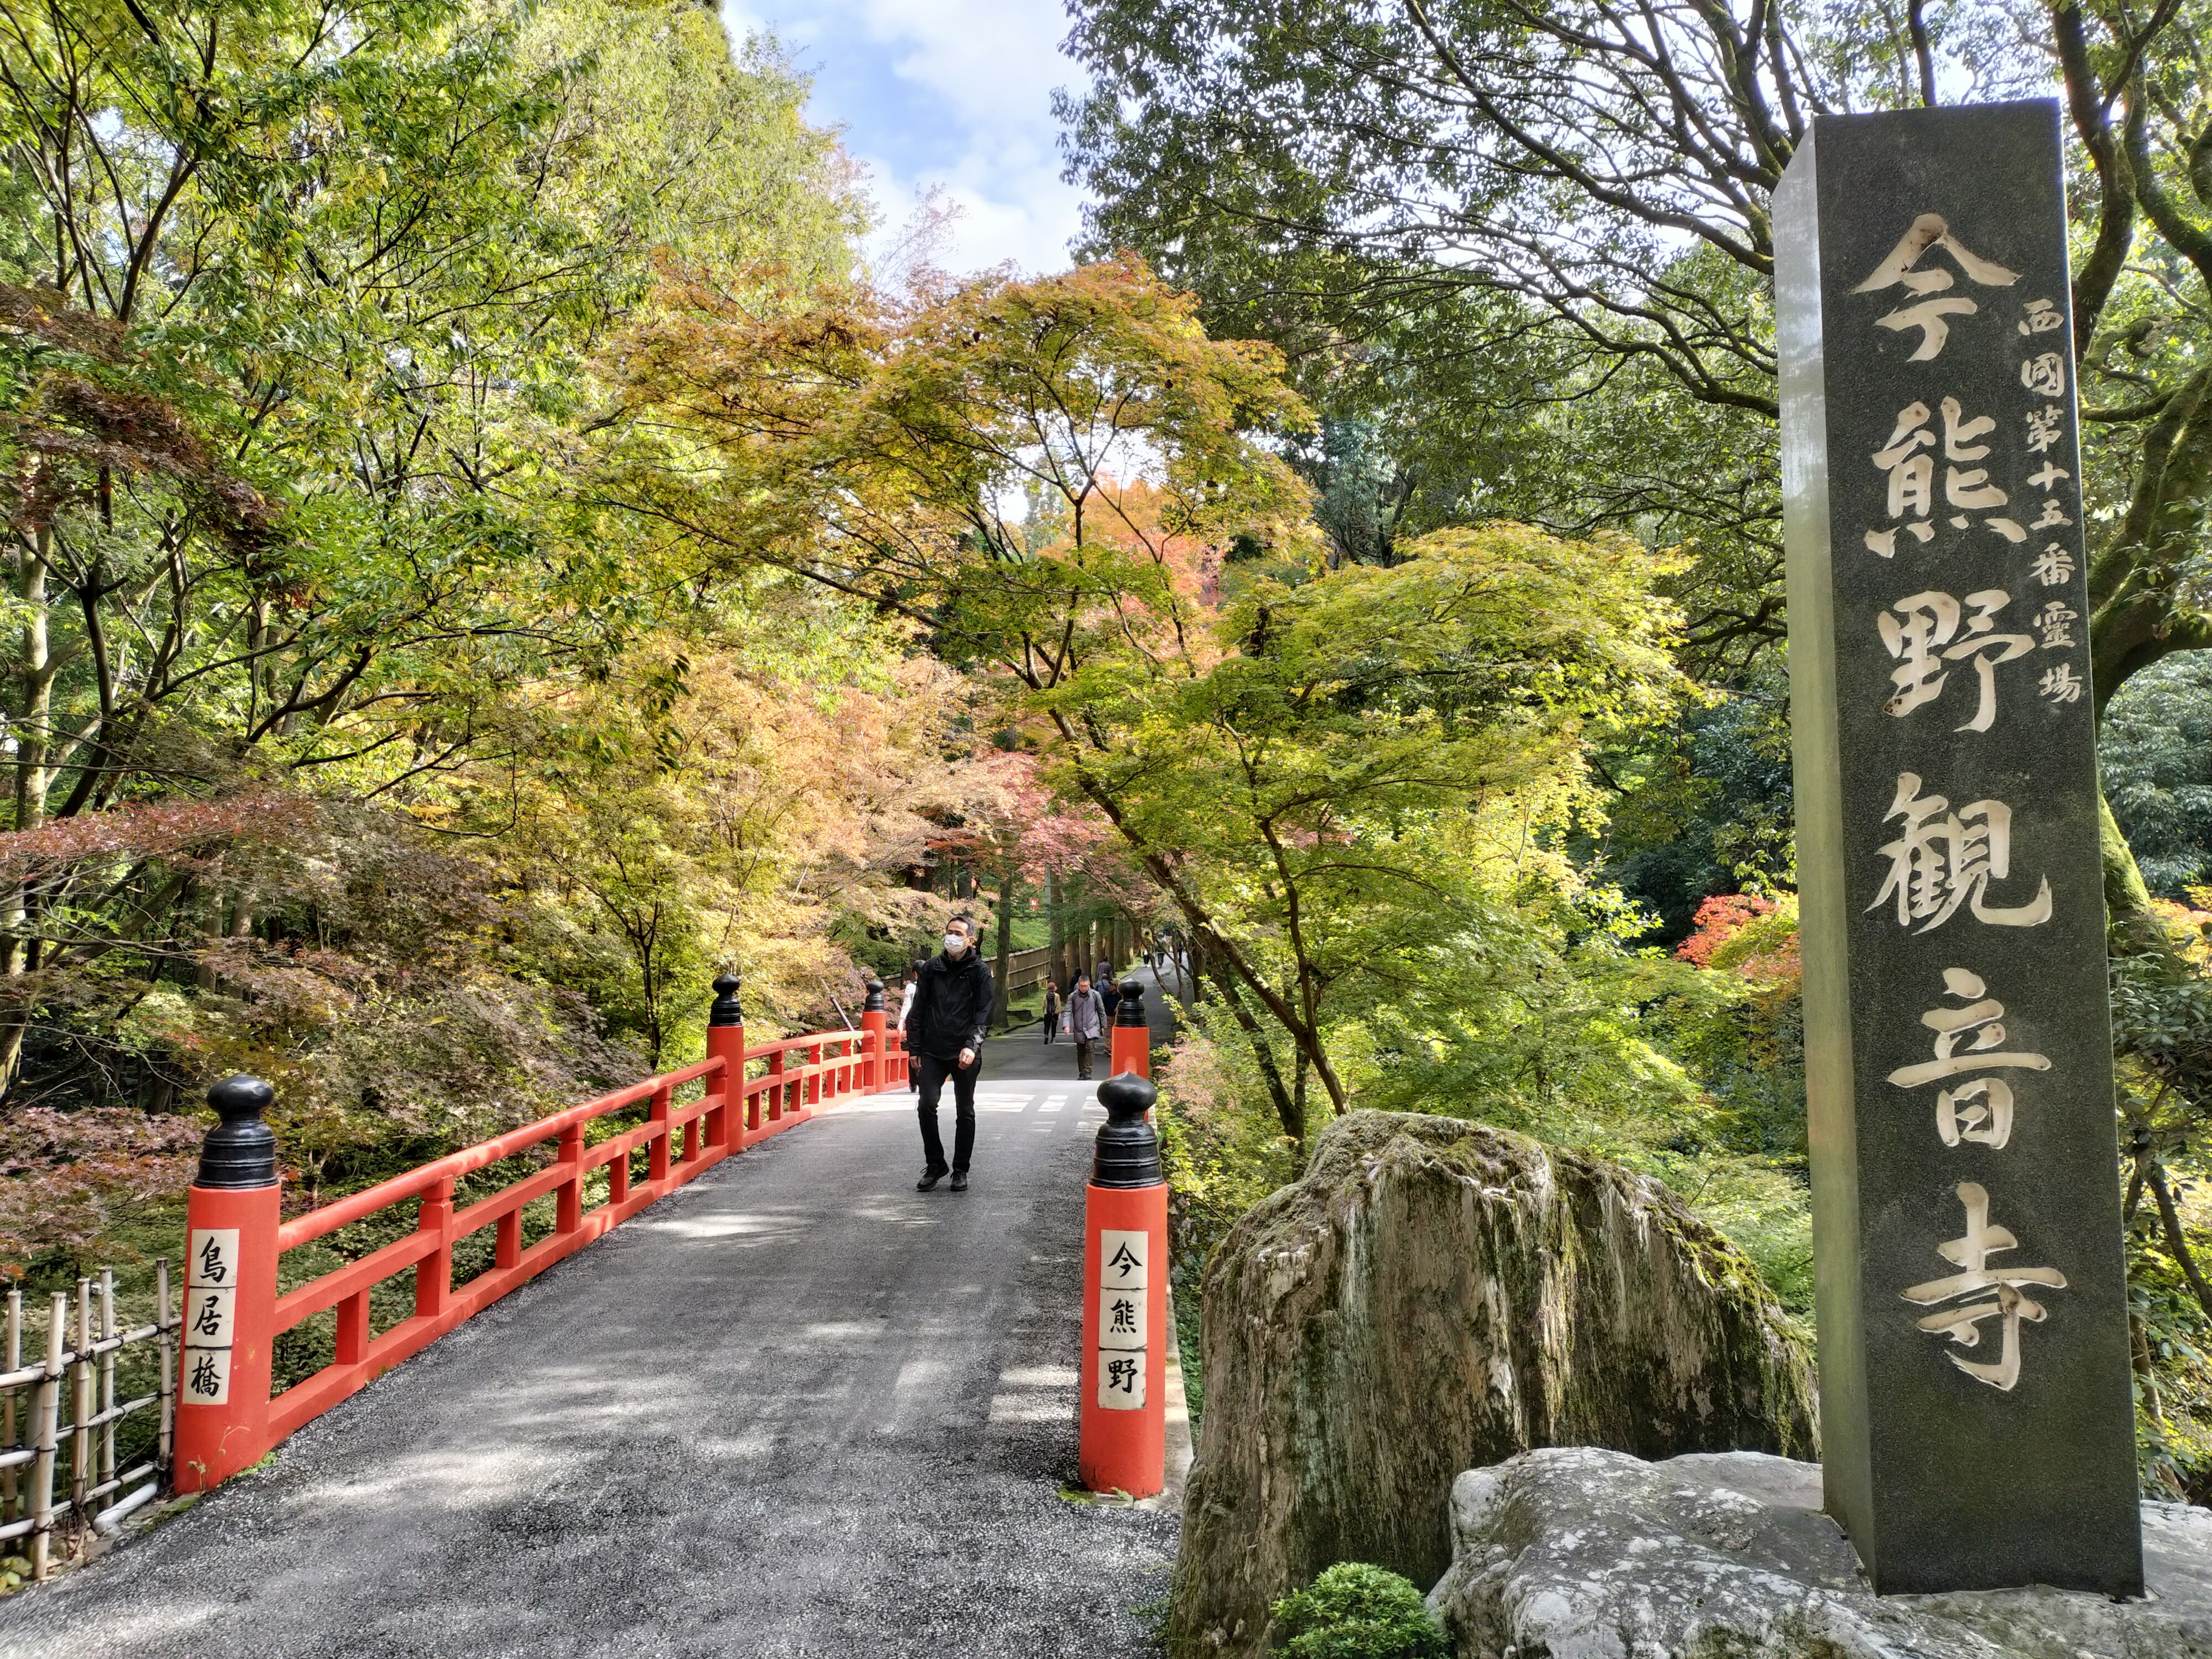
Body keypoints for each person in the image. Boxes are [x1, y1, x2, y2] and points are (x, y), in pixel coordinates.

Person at [904, 917, 993, 1192]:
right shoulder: (931, 968)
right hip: (933, 1049)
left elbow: (985, 1012)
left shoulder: (980, 971)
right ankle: (935, 1165)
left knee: (964, 1111)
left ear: (970, 940)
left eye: (959, 933)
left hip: (965, 1050)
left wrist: (973, 1044)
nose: (952, 938)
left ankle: (960, 1170)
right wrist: (914, 1049)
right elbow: (917, 1011)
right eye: (949, 932)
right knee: (926, 1105)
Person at [1066, 973, 1104, 1080]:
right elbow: (1068, 1011)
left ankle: (1088, 1071)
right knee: (1081, 1050)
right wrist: (1066, 1025)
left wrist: (1103, 1025)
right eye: (1082, 986)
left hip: (1092, 1026)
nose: (1084, 988)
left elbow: (1101, 1010)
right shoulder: (1073, 996)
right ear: (1079, 984)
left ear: (1089, 984)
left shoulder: (1095, 995)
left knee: (1090, 1047)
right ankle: (1082, 1072)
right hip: (1079, 1027)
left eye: (1086, 986)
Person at [897, 957, 926, 1094]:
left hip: (913, 1022)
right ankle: (924, 1082)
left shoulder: (911, 987)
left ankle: (913, 1083)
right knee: (926, 1051)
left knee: (914, 1051)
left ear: (915, 973)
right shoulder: (933, 987)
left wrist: (901, 1021)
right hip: (929, 1022)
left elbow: (907, 1005)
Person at [1041, 978, 1060, 1044]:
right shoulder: (1057, 996)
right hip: (1054, 1013)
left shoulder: (1045, 996)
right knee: (1054, 1026)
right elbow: (1058, 1005)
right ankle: (1053, 1039)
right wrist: (1058, 1013)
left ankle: (1046, 1036)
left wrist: (1044, 1011)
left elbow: (1043, 1005)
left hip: (1047, 1013)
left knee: (1047, 1026)